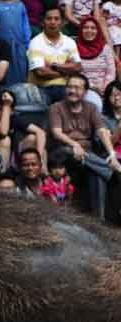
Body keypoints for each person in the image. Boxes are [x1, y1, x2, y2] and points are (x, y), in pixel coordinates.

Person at [49, 73, 121, 221]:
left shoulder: (91, 108)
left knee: (97, 173)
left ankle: (99, 220)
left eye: (77, 87)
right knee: (69, 151)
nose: (72, 91)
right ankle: (115, 171)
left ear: (85, 91)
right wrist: (74, 144)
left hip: (86, 154)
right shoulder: (56, 107)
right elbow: (57, 133)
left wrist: (111, 154)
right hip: (63, 150)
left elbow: (101, 131)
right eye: (69, 87)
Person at [27, 7, 81, 106]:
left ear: (63, 22)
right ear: (42, 22)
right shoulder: (35, 42)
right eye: (49, 19)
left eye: (56, 19)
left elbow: (77, 67)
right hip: (41, 88)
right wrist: (67, 70)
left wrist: (55, 66)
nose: (53, 22)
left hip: (65, 87)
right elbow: (40, 72)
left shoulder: (69, 42)